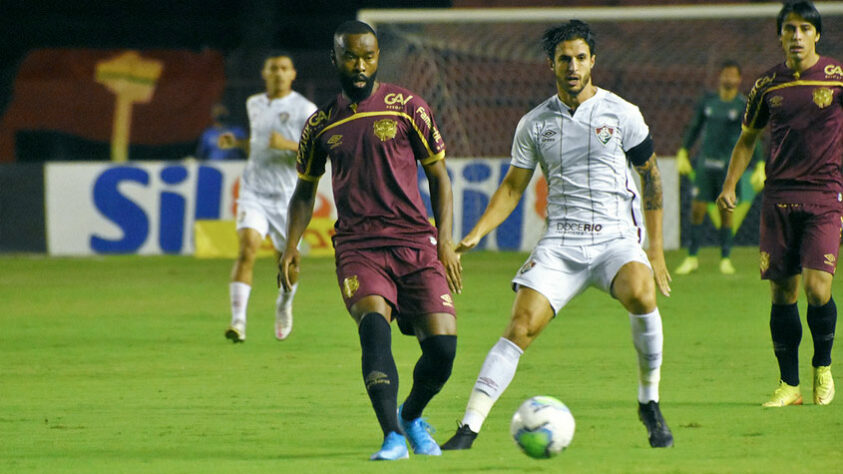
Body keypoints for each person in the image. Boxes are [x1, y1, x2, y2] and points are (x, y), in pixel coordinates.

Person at [440, 20, 674, 451]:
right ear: (552, 64)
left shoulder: (622, 113)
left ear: (592, 62)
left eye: (580, 58)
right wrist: (476, 233)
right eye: (564, 58)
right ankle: (468, 428)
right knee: (520, 327)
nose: (573, 66)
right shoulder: (533, 123)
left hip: (615, 240)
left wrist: (654, 250)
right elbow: (513, 187)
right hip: (561, 243)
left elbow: (652, 177)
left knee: (642, 294)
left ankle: (649, 402)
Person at [279, 20, 462, 460]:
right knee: (373, 332)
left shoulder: (407, 107)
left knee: (442, 350)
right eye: (350, 56)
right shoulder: (320, 125)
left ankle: (412, 415)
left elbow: (438, 175)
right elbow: (304, 192)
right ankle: (392, 437)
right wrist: (290, 245)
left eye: (368, 56)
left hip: (416, 244)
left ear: (378, 57)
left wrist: (445, 241)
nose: (360, 65)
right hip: (359, 248)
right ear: (335, 58)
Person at [717, 0, 841, 407]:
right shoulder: (767, 84)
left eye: (805, 29)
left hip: (824, 195)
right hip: (779, 197)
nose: (797, 36)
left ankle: (822, 367)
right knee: (781, 294)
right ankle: (789, 386)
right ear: (781, 35)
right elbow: (748, 139)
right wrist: (731, 184)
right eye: (790, 29)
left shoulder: (838, 79)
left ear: (817, 35)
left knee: (817, 288)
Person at [223, 52, 317, 343]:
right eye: (273, 68)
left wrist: (288, 144)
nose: (278, 73)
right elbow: (260, 146)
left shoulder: (305, 108)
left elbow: (316, 151)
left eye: (284, 68)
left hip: (288, 197)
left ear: (293, 74)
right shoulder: (254, 104)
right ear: (264, 73)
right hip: (253, 191)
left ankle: (284, 304)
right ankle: (238, 322)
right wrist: (238, 143)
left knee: (288, 262)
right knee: (246, 249)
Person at [674, 60, 764, 275]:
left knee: (726, 211)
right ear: (720, 77)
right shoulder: (708, 102)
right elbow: (695, 127)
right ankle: (692, 257)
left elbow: (752, 137)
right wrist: (683, 151)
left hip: (728, 168)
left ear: (739, 79)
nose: (729, 78)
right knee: (697, 210)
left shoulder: (742, 105)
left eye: (733, 75)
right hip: (705, 163)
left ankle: (725, 258)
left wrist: (760, 163)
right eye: (726, 74)